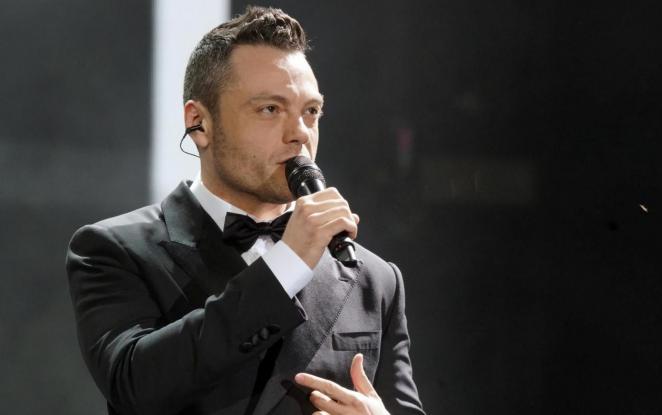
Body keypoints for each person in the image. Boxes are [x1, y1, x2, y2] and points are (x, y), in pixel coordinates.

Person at [66, 5, 424, 415]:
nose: (300, 134)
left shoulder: (374, 278)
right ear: (199, 123)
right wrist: (288, 262)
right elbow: (135, 385)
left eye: (311, 112)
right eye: (270, 109)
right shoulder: (114, 250)